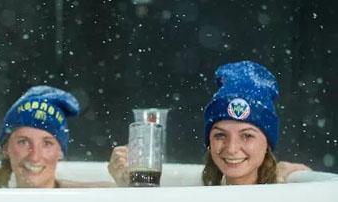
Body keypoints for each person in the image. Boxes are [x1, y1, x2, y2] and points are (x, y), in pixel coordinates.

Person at [108, 60, 309, 186]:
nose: (231, 149)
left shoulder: (286, 187)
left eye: (247, 135)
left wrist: (283, 176)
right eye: (220, 135)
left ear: (268, 143)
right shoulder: (205, 188)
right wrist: (125, 183)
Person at [0, 85, 112, 188]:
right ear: (5, 148)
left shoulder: (90, 198)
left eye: (47, 143)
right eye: (24, 142)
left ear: (61, 152)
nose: (34, 156)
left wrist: (127, 181)